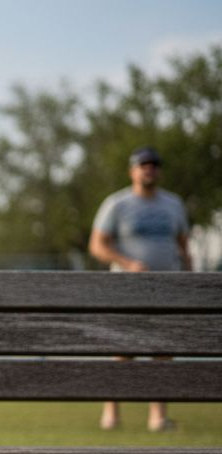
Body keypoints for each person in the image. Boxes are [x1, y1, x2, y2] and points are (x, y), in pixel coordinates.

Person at [89, 146, 192, 432]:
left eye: (155, 164)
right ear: (132, 170)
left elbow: (184, 248)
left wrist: (191, 282)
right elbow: (97, 246)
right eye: (144, 164)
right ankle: (111, 413)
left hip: (167, 288)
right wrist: (127, 263)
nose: (150, 169)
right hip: (127, 289)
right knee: (122, 351)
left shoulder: (173, 204)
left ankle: (158, 417)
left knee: (162, 352)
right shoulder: (117, 204)